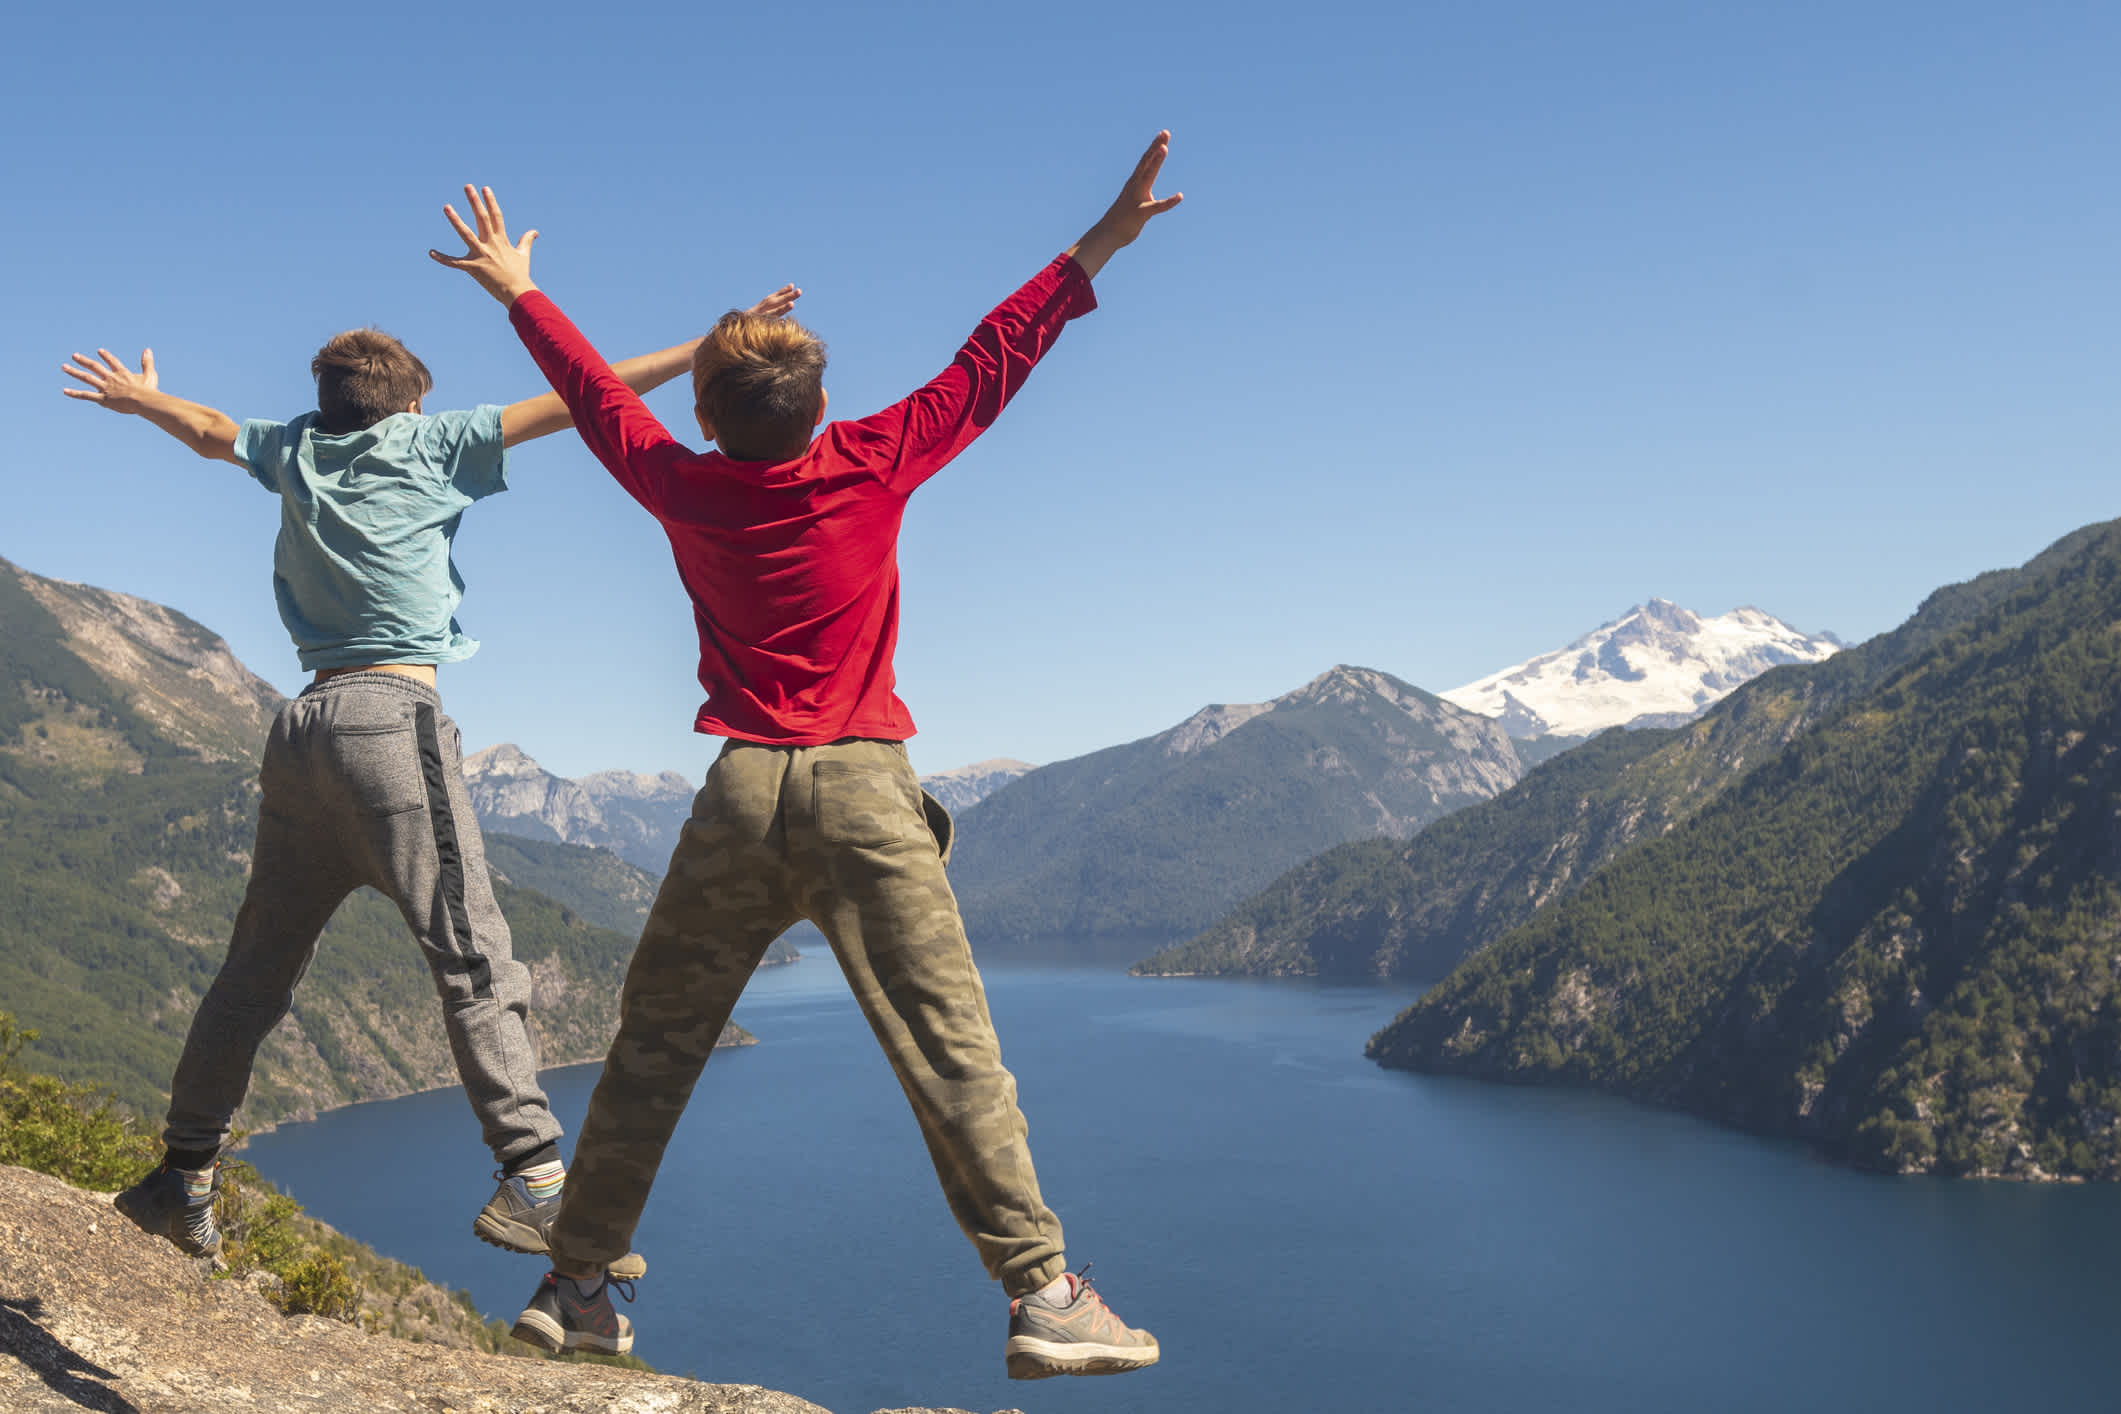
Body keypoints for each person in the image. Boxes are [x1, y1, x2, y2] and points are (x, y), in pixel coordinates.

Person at [428, 131, 1182, 1378]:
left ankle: (576, 1289)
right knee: (948, 1045)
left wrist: (516, 287)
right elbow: (994, 358)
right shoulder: (877, 458)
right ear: (824, 404)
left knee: (654, 1042)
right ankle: (1042, 1293)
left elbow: (599, 400)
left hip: (737, 791)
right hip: (863, 787)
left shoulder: (681, 481)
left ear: (708, 418)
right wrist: (1100, 240)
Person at [61, 291, 792, 1270]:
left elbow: (206, 431)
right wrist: (708, 350)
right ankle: (534, 1179)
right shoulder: (435, 443)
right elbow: (588, 391)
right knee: (475, 960)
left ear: (331, 403)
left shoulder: (296, 449)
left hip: (302, 728)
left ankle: (179, 1178)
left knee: (252, 974)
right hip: (389, 724)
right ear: (408, 408)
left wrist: (140, 399)